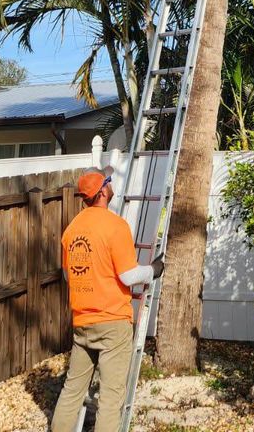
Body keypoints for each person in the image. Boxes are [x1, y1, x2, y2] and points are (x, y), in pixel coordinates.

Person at [51, 168, 164, 432]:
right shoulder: (115, 226)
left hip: (83, 323)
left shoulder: (71, 230)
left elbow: (69, 276)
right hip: (112, 322)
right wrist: (154, 270)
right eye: (109, 181)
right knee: (112, 397)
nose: (112, 185)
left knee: (72, 391)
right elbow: (128, 276)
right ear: (103, 191)